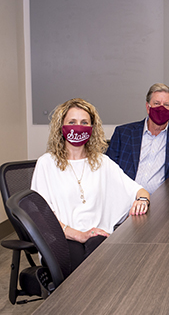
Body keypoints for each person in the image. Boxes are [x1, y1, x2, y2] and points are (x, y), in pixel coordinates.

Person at [32, 98, 149, 269]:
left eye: (84, 122)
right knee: (77, 262)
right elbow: (41, 216)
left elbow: (139, 191)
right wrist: (79, 235)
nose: (78, 126)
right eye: (72, 122)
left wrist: (142, 200)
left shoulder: (102, 162)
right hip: (62, 237)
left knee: (103, 256)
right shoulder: (46, 163)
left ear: (92, 128)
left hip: (96, 236)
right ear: (61, 127)